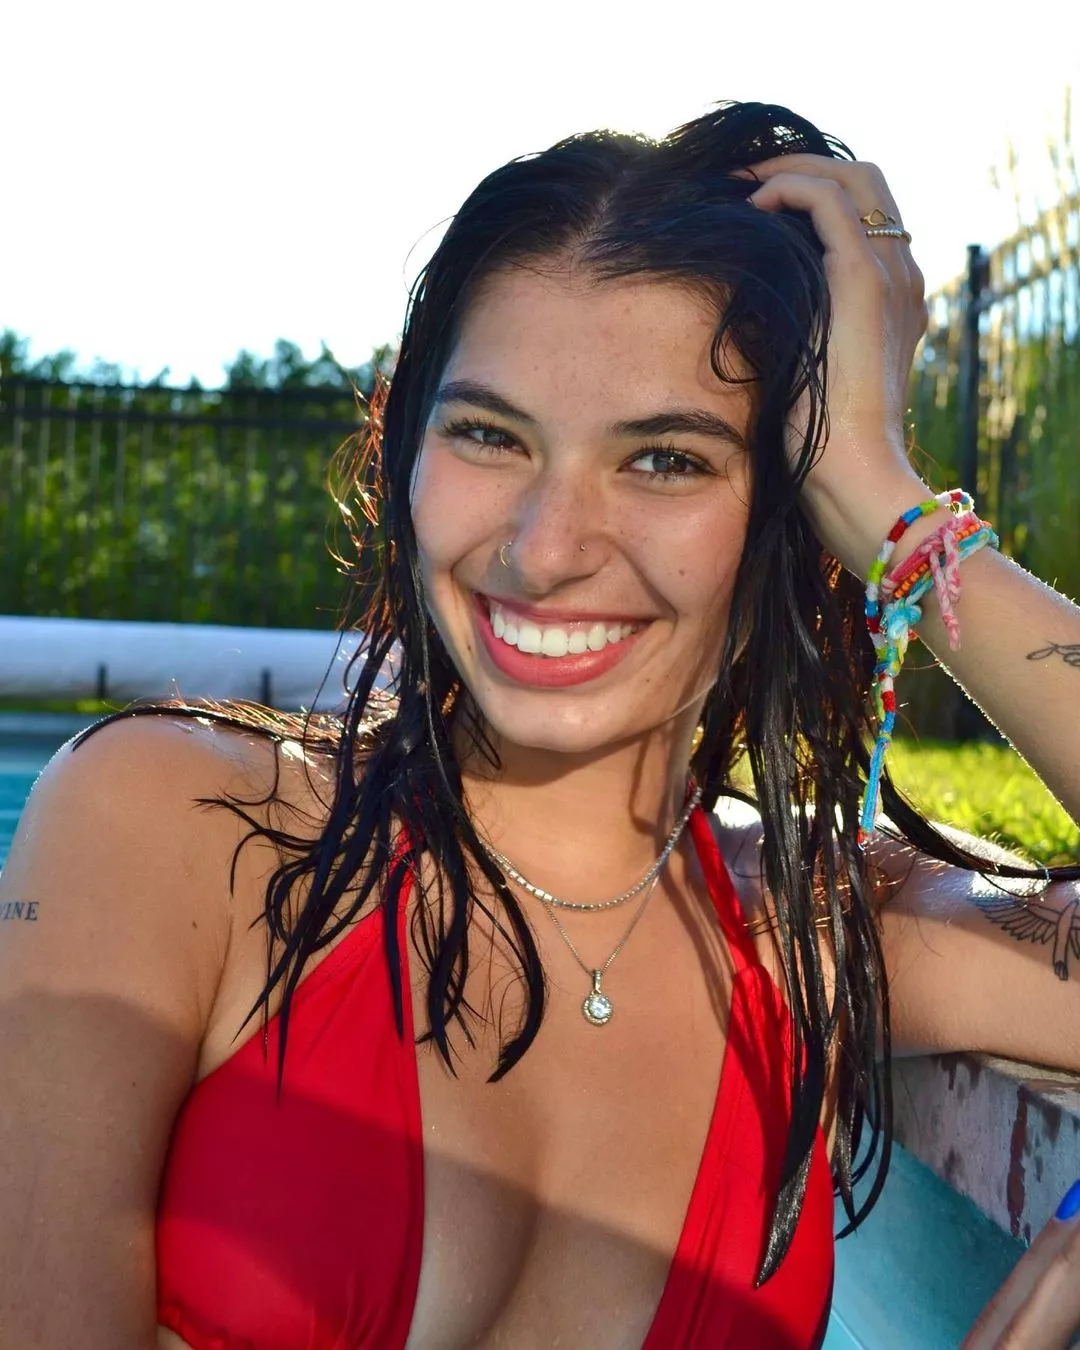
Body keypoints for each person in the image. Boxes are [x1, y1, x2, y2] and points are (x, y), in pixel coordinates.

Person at [2, 100, 1079, 1350]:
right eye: (489, 434)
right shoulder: (170, 829)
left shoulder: (816, 940)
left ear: (788, 511)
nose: (544, 548)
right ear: (406, 448)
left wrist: (881, 493)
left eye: (666, 459)